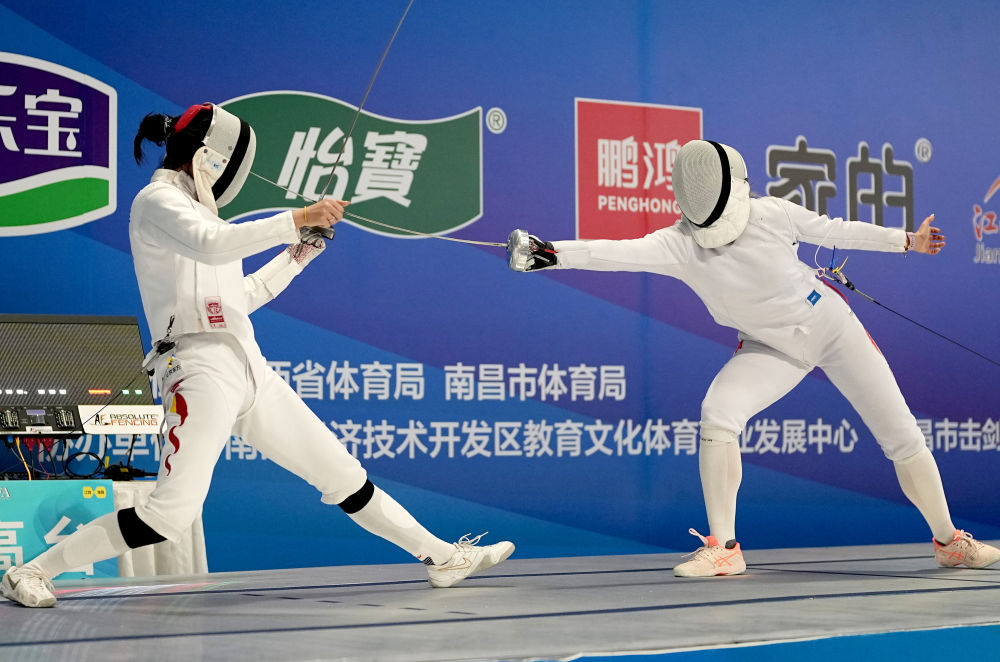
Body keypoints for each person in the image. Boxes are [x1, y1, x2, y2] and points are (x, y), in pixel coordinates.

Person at [1, 103, 513, 608]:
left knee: (342, 473)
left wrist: (297, 255)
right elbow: (211, 243)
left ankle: (442, 557)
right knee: (169, 515)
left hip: (249, 367)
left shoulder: (204, 216)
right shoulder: (157, 202)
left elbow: (237, 297)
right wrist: (296, 218)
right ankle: (31, 571)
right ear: (207, 158)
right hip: (196, 371)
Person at [509, 139, 999, 577]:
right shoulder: (680, 244)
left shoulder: (771, 214)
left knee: (901, 434)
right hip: (769, 346)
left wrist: (907, 241)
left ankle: (949, 541)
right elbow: (612, 253)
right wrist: (549, 253)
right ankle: (723, 549)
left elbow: (836, 230)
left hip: (831, 329)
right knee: (718, 413)